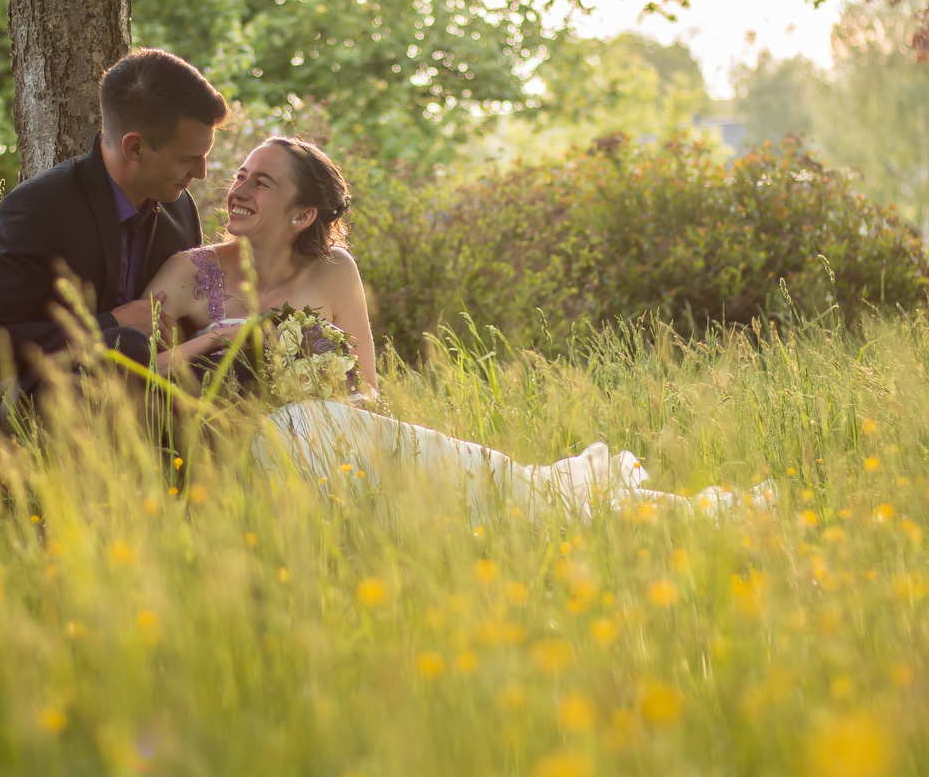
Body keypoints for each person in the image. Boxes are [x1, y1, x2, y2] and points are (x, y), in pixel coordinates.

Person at [142, 136, 774, 521]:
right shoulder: (191, 273)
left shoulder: (335, 272)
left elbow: (368, 390)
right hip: (247, 454)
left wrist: (313, 392)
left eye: (262, 181)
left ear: (304, 213)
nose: (239, 188)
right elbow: (122, 356)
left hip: (338, 440)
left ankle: (645, 518)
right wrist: (213, 345)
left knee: (496, 489)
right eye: (240, 176)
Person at [0, 48, 228, 423]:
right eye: (187, 158)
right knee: (124, 344)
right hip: (5, 419)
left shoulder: (180, 209)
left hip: (134, 426)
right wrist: (110, 325)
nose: (204, 172)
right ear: (135, 146)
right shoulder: (37, 208)